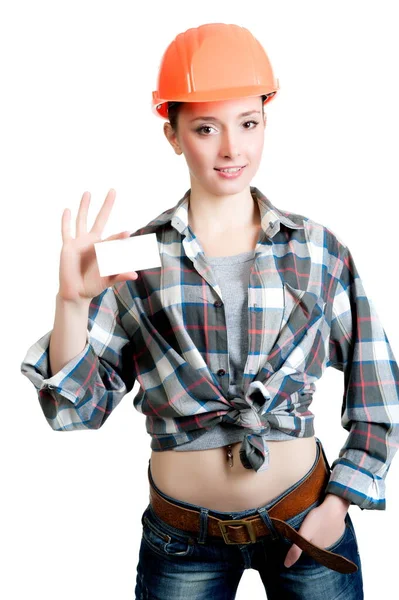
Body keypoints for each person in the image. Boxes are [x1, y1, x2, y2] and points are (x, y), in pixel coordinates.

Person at [20, 22, 399, 599]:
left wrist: (340, 502)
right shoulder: (134, 257)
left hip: (307, 525)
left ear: (266, 120)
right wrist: (70, 302)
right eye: (205, 128)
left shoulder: (318, 249)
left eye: (248, 123)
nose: (232, 149)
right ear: (172, 134)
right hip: (181, 541)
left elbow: (379, 395)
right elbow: (76, 412)